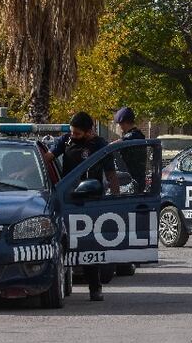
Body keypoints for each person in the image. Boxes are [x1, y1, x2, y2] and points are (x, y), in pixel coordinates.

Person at [43, 112, 118, 301]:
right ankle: (63, 284)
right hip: (67, 199)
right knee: (64, 243)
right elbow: (48, 157)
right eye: (71, 132)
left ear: (89, 131)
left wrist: (116, 198)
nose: (73, 136)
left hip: (91, 201)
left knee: (88, 245)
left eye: (77, 133)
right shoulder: (66, 140)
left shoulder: (99, 145)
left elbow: (110, 173)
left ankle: (95, 287)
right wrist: (25, 168)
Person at [113, 107, 146, 193]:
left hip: (133, 180)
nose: (119, 127)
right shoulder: (137, 135)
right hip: (134, 179)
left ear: (124, 123)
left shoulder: (132, 137)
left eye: (120, 124)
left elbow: (115, 145)